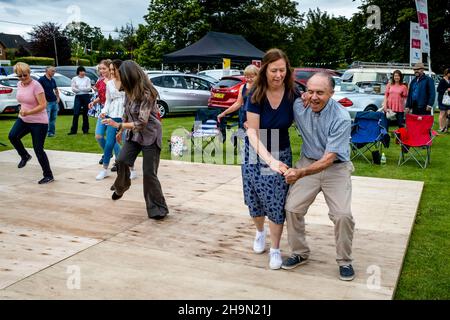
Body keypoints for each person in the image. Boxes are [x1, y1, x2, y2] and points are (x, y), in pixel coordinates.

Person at [281, 73, 355, 281]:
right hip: (308, 160)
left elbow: (329, 159)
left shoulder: (341, 117)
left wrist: (300, 173)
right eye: (310, 91)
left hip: (335, 168)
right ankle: (300, 253)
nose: (313, 97)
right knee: (292, 208)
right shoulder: (299, 105)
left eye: (320, 93)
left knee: (342, 215)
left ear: (332, 93)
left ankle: (345, 261)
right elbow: (280, 88)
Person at [244, 49, 298, 270]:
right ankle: (260, 232)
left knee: (276, 201)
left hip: (280, 149)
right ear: (265, 70)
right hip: (255, 151)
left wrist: (276, 162)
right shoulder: (255, 94)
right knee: (254, 198)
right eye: (274, 70)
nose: (278, 75)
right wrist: (269, 160)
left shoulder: (294, 93)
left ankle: (275, 249)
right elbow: (252, 132)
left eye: (282, 70)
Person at [106, 60, 169, 220]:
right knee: (121, 160)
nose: (117, 77)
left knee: (149, 173)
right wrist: (121, 129)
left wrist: (119, 125)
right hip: (133, 135)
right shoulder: (128, 91)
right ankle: (121, 187)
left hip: (150, 135)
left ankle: (158, 208)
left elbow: (142, 122)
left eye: (119, 74)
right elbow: (126, 112)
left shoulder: (148, 93)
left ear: (129, 75)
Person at [8, 62, 54, 184]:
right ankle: (24, 156)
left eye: (25, 75)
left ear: (29, 73)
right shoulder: (19, 84)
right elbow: (23, 100)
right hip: (24, 119)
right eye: (19, 76)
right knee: (12, 136)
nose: (22, 78)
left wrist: (29, 112)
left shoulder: (36, 86)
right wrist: (22, 109)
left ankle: (48, 175)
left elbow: (43, 105)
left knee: (38, 149)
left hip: (39, 122)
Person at [96, 59, 137, 180]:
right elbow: (108, 100)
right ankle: (104, 169)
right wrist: (104, 112)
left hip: (126, 116)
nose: (112, 71)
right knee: (109, 143)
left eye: (114, 69)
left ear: (121, 69)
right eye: (111, 69)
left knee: (127, 143)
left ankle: (132, 169)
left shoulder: (129, 82)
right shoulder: (109, 83)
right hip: (112, 115)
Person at [217, 64, 259, 129]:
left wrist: (251, 120)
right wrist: (224, 113)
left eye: (252, 77)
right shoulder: (243, 87)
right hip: (245, 118)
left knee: (263, 138)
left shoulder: (262, 88)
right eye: (247, 77)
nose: (249, 79)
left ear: (257, 76)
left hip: (258, 119)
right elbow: (238, 104)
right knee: (246, 138)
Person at [68, 66, 92, 135]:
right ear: (78, 72)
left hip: (86, 96)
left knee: (85, 113)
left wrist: (79, 88)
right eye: (81, 71)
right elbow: (73, 89)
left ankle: (85, 130)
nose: (83, 73)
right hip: (78, 96)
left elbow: (89, 88)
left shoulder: (87, 79)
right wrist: (82, 89)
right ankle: (73, 130)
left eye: (84, 71)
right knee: (76, 113)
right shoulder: (74, 79)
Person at [38, 66, 60, 137]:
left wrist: (58, 97)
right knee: (45, 119)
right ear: (47, 71)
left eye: (54, 71)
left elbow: (56, 89)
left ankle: (51, 133)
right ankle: (43, 133)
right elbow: (38, 92)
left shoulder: (53, 80)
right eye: (52, 71)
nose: (54, 72)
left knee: (53, 119)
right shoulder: (41, 80)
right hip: (47, 103)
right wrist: (44, 100)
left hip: (54, 102)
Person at [436, 68, 450, 133]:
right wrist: (446, 90)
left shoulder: (449, 80)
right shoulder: (442, 80)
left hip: (448, 99)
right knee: (442, 113)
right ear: (447, 73)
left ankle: (444, 127)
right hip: (442, 99)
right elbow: (438, 89)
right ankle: (440, 127)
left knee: (446, 114)